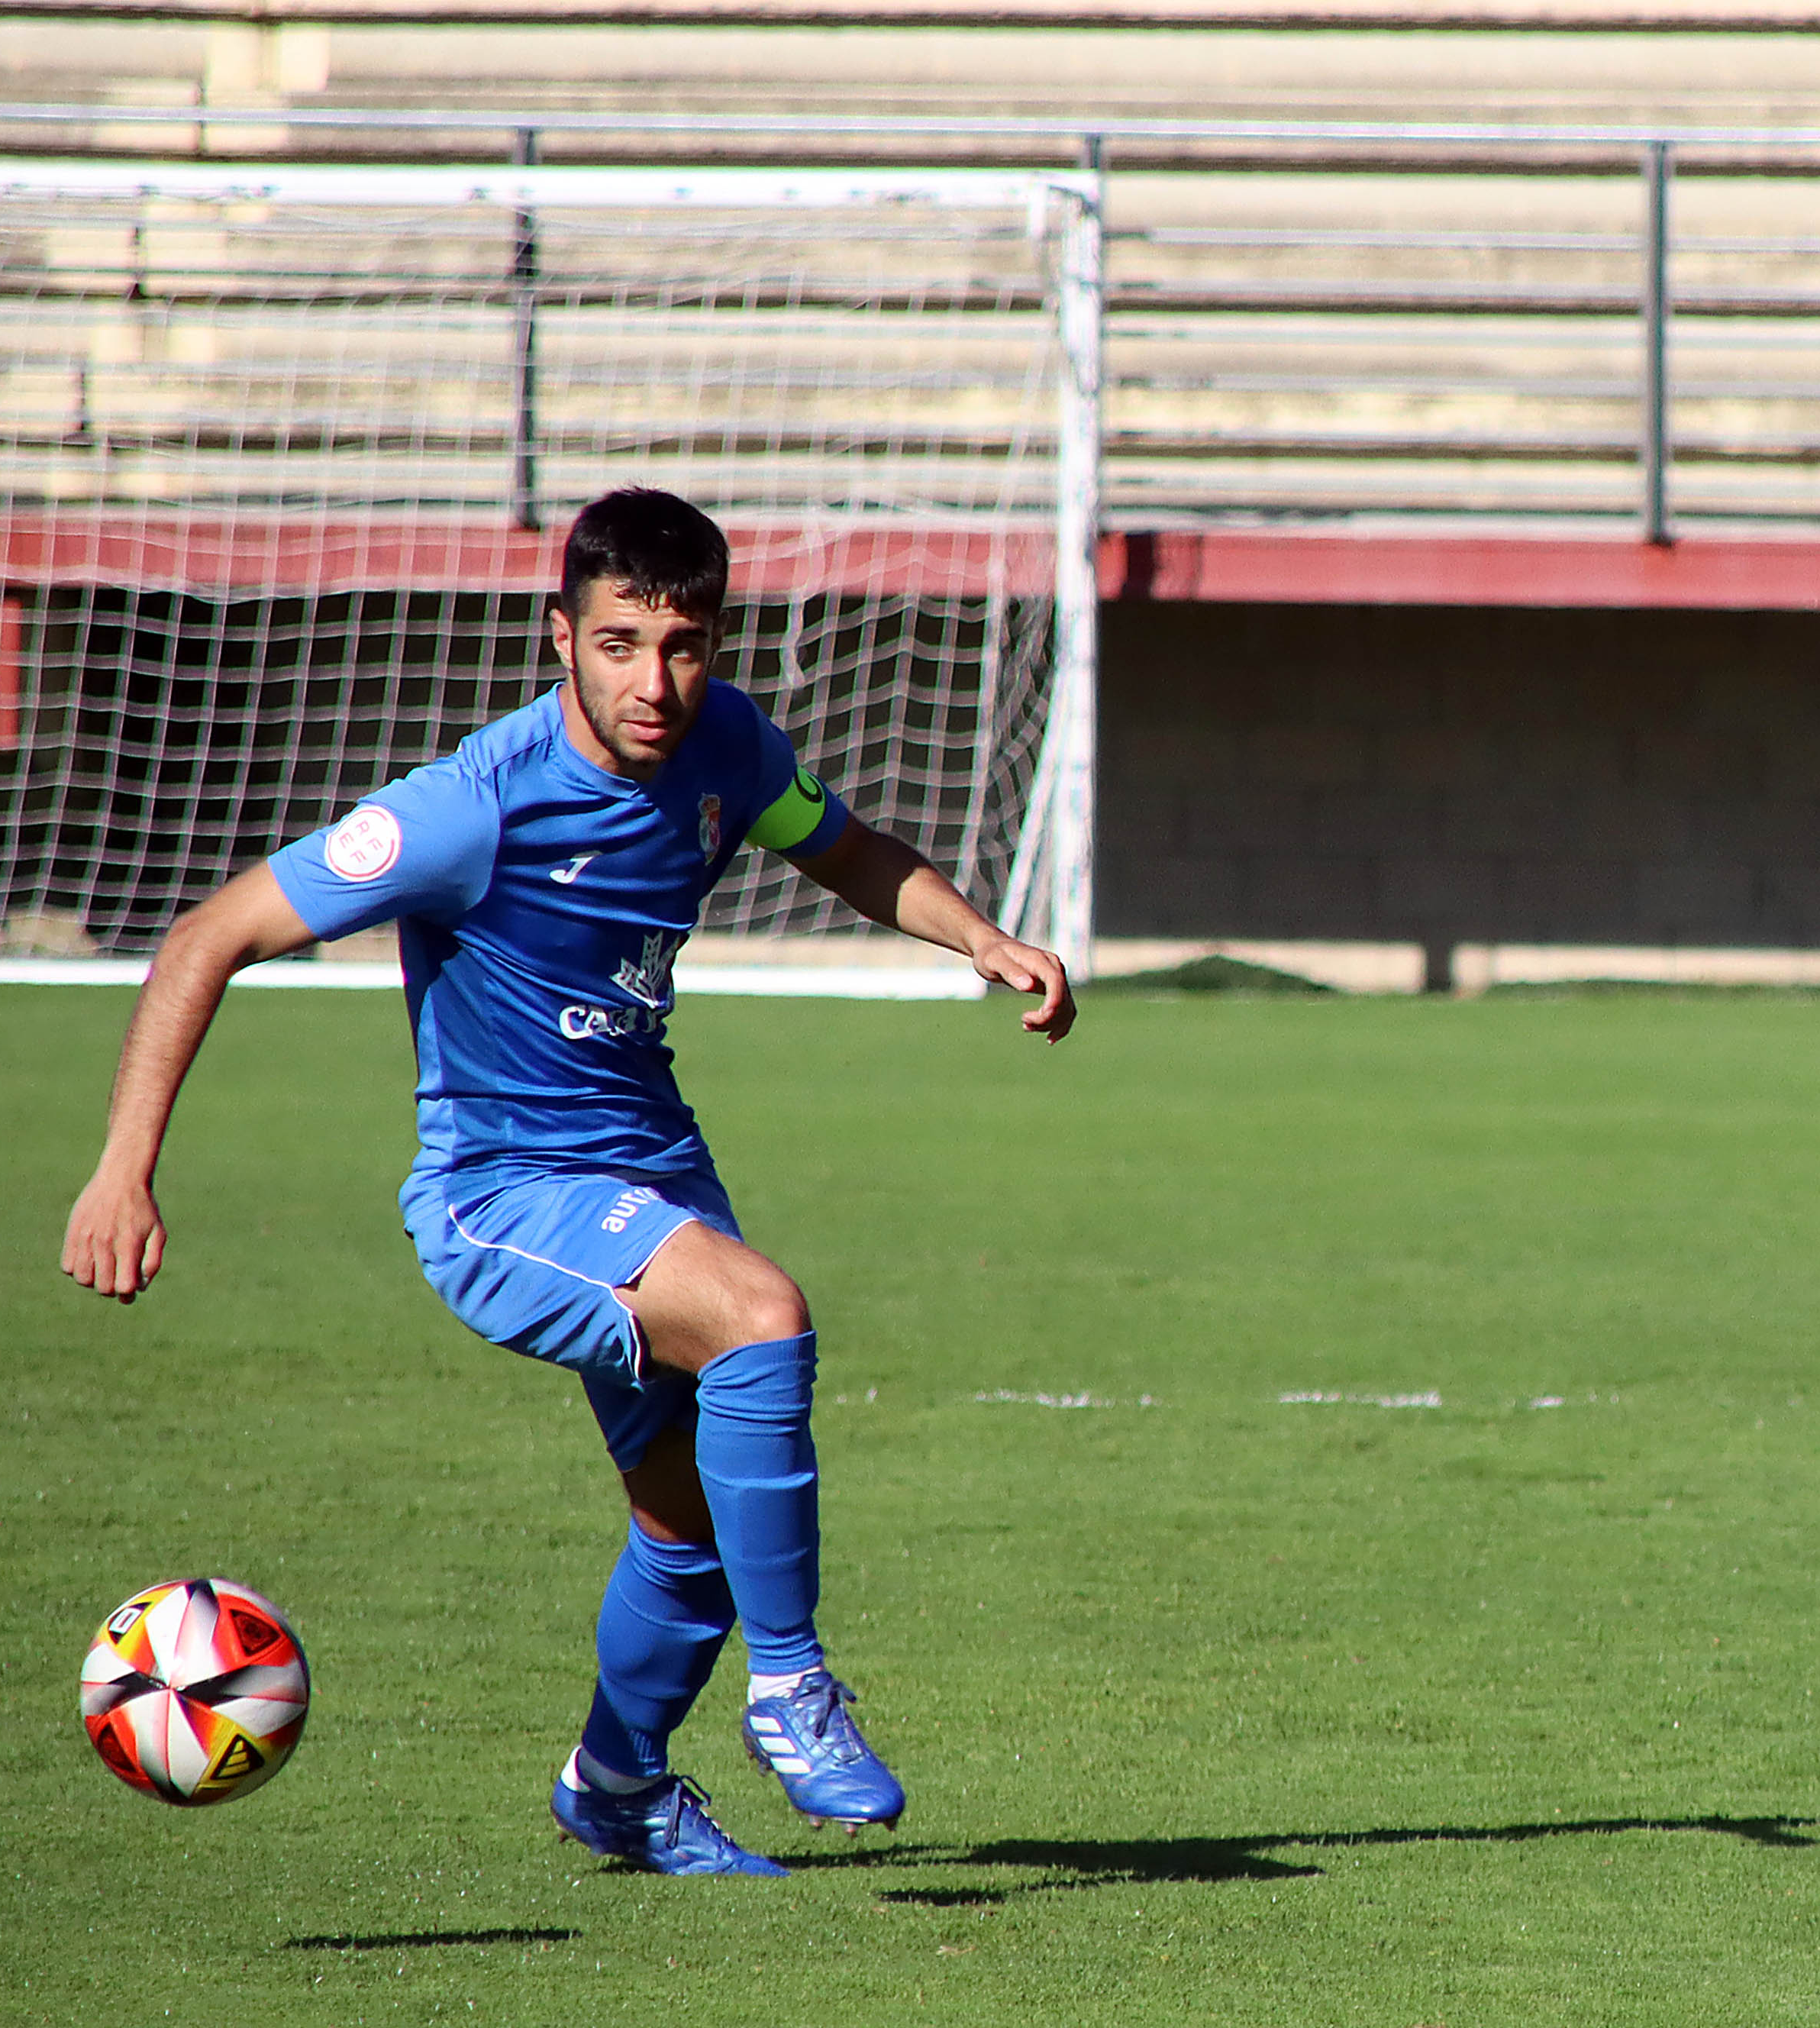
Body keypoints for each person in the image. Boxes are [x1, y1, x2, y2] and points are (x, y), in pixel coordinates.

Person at [61, 487, 1076, 1876]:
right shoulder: (465, 810)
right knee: (764, 1316)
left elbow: (838, 847)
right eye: (617, 646)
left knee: (695, 1534)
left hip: (654, 1165)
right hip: (505, 1195)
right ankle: (789, 1687)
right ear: (562, 638)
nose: (652, 682)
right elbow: (207, 936)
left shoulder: (726, 744)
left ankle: (618, 1787)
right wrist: (125, 1172)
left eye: (683, 644)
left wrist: (980, 937)